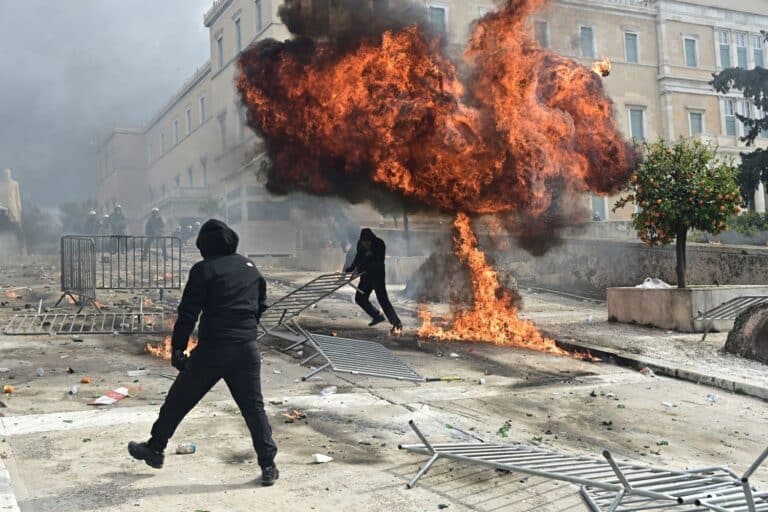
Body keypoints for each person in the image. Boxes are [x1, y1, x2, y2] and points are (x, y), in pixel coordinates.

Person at [128, 219, 278, 486]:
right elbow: (261, 305)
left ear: (204, 246)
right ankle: (268, 465)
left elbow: (188, 314)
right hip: (246, 349)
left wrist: (178, 349)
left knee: (179, 400)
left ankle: (155, 448)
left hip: (213, 350)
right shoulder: (250, 267)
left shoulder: (204, 270)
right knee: (254, 409)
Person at [345, 228, 402, 333]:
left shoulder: (379, 244)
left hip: (377, 274)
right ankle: (376, 315)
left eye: (367, 243)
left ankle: (396, 322)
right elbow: (358, 258)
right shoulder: (360, 244)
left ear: (371, 240)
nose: (365, 245)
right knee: (360, 298)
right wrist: (351, 269)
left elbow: (378, 262)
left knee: (382, 299)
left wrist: (364, 266)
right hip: (366, 275)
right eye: (364, 243)